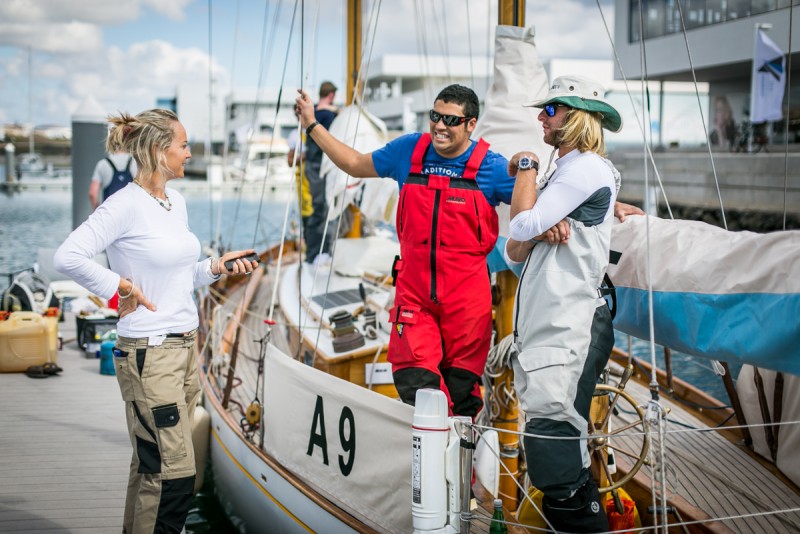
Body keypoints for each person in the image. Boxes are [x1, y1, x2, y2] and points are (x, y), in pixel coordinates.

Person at [53, 109, 258, 534]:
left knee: (152, 468)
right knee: (176, 476)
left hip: (183, 351)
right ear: (157, 151)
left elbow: (183, 275)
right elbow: (68, 256)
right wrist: (120, 288)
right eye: (183, 145)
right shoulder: (124, 205)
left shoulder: (174, 202)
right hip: (149, 353)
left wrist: (217, 266)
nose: (189, 152)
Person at [504, 75, 630, 532]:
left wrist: (524, 169)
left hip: (571, 323)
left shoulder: (583, 170)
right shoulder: (569, 171)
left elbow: (519, 227)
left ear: (575, 117)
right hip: (553, 324)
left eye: (551, 109)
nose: (541, 116)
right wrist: (535, 226)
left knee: (557, 453)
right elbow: (513, 248)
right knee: (551, 444)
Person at [304, 81, 339, 265]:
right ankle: (315, 254)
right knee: (322, 211)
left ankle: (313, 254)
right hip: (320, 167)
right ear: (332, 95)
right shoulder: (328, 115)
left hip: (313, 166)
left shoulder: (316, 112)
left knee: (319, 210)